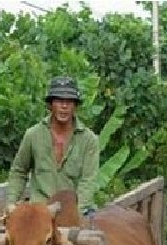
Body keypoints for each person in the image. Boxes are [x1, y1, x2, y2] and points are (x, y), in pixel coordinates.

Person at [7, 76, 99, 217]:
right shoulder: (33, 135)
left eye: (69, 101)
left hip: (75, 209)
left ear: (75, 106)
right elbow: (19, 171)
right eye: (59, 100)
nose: (64, 106)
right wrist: (11, 203)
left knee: (95, 232)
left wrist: (75, 213)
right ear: (50, 105)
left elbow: (88, 181)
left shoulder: (88, 139)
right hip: (40, 210)